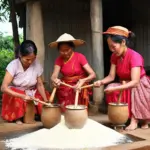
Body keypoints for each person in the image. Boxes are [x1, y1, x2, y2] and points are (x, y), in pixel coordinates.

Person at [94, 26, 150, 130]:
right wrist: (100, 82)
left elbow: (135, 82)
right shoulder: (114, 56)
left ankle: (136, 119)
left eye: (113, 46)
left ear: (123, 42)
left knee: (132, 90)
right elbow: (111, 76)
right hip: (125, 84)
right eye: (109, 47)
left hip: (139, 85)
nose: (111, 50)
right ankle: (124, 117)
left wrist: (116, 88)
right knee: (111, 86)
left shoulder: (134, 56)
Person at [1, 40, 50, 124]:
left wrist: (46, 101)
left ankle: (35, 114)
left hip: (31, 91)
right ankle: (18, 117)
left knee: (44, 98)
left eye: (33, 58)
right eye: (27, 59)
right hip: (17, 92)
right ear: (20, 55)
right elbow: (3, 88)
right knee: (16, 98)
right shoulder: (13, 65)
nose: (30, 62)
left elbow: (40, 84)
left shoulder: (36, 64)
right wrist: (22, 95)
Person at [49, 33, 96, 111]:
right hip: (66, 85)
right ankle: (66, 115)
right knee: (64, 92)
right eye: (62, 50)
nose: (65, 53)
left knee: (76, 92)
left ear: (72, 48)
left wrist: (83, 80)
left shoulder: (80, 57)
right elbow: (54, 76)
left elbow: (93, 74)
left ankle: (79, 116)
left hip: (80, 84)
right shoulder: (59, 60)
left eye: (67, 50)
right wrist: (55, 80)